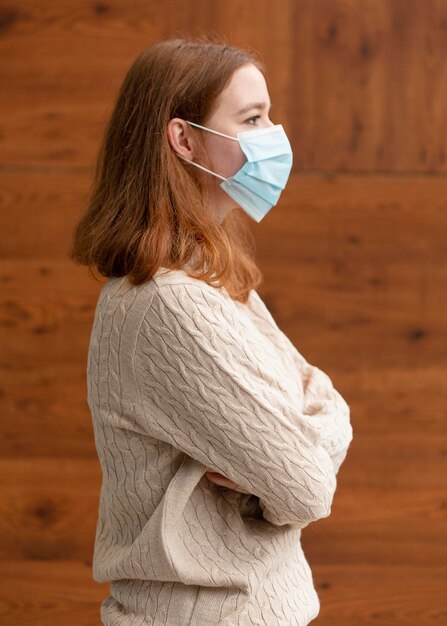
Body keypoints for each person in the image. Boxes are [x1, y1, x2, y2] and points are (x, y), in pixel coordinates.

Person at [70, 35, 353, 626]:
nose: (275, 135)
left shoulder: (216, 280)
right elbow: (305, 488)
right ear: (183, 138)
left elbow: (327, 405)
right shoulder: (170, 307)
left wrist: (285, 451)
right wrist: (287, 452)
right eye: (253, 119)